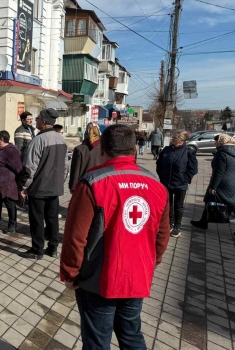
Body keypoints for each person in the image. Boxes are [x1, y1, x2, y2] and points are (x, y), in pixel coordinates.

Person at [60, 124, 171, 350]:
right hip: (137, 275)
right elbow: (163, 234)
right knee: (131, 336)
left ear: (101, 150)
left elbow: (75, 236)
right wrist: (152, 262)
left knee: (97, 342)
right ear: (135, 150)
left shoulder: (92, 183)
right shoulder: (157, 185)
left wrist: (70, 274)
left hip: (98, 281)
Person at [18, 108, 67, 259]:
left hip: (39, 188)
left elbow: (29, 167)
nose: (36, 120)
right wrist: (60, 181)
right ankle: (52, 248)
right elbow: (65, 167)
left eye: (38, 118)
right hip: (55, 188)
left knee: (37, 220)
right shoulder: (61, 140)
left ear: (44, 122)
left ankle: (37, 250)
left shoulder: (38, 140)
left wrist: (24, 187)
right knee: (52, 218)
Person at [191, 134, 235, 236]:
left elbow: (219, 172)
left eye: (216, 141)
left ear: (222, 141)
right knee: (234, 204)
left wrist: (213, 187)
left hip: (222, 183)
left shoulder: (221, 153)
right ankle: (203, 222)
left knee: (210, 198)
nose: (215, 143)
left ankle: (203, 222)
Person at [156, 130, 198, 238]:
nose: (172, 139)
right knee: (168, 205)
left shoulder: (188, 151)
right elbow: (159, 164)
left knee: (178, 206)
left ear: (181, 140)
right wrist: (162, 177)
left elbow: (193, 169)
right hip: (166, 183)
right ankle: (169, 224)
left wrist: (186, 179)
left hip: (180, 184)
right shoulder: (166, 150)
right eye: (172, 137)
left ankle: (177, 226)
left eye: (175, 138)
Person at [0, 131, 23, 234]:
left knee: (10, 205)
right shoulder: (1, 150)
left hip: (7, 185)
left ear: (2, 140)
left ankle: (12, 225)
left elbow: (18, 168)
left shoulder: (10, 151)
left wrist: (20, 184)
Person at [69, 123, 101, 193]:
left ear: (86, 133)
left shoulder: (80, 149)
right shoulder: (104, 148)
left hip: (84, 186)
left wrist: (73, 187)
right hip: (100, 184)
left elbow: (75, 170)